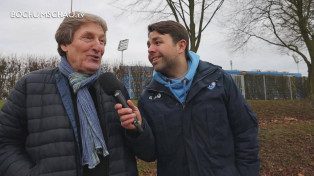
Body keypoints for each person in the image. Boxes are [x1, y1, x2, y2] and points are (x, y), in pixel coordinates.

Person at [0, 12, 154, 176]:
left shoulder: (114, 89)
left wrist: (137, 129)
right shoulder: (31, 86)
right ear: (64, 44)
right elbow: (5, 143)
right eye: (88, 38)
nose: (98, 47)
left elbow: (148, 153)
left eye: (102, 41)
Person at [116, 20, 260, 176]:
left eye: (157, 43)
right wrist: (138, 129)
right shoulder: (149, 97)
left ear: (181, 46)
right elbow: (149, 154)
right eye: (148, 45)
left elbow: (245, 133)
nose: (150, 50)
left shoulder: (218, 80)